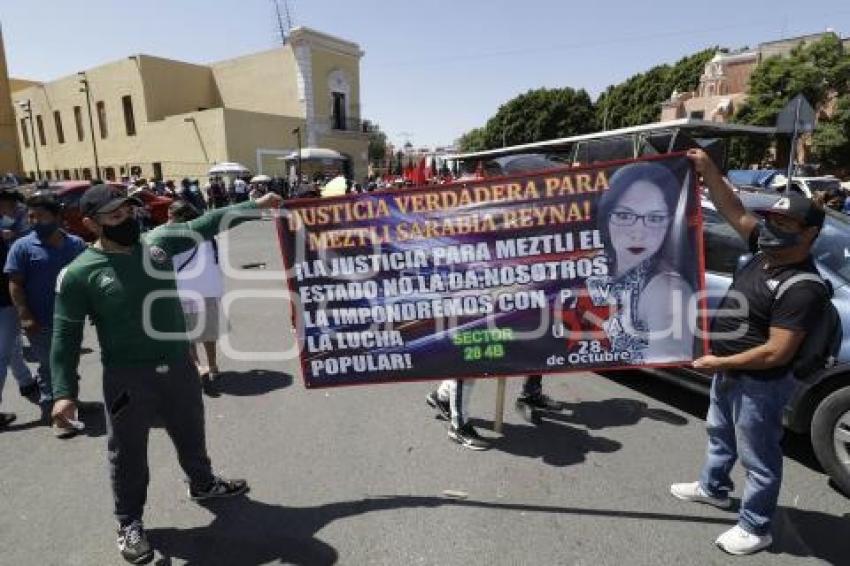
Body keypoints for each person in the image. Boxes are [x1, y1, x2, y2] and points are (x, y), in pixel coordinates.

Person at [50, 184, 282, 563]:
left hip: (178, 365)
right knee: (127, 453)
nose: (126, 221)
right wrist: (64, 392)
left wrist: (255, 205)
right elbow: (65, 335)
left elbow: (207, 222)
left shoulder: (157, 243)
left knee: (191, 428)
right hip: (127, 377)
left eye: (128, 212)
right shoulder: (78, 275)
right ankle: (129, 522)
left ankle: (203, 483)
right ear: (91, 224)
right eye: (115, 216)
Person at [670, 149, 828, 555]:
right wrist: (708, 169)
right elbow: (732, 209)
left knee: (758, 456)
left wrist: (718, 361)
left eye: (786, 222)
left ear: (808, 234)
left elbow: (776, 353)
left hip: (762, 384)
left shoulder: (803, 286)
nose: (772, 227)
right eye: (772, 219)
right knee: (719, 433)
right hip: (731, 373)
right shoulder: (765, 251)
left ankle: (757, 527)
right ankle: (714, 487)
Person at [594, 161, 695, 363]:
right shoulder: (597, 268)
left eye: (655, 218)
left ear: (670, 223)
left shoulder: (667, 290)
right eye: (624, 215)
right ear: (606, 217)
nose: (638, 232)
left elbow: (668, 361)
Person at [4, 193, 86, 432]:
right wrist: (25, 315)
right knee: (50, 366)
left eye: (41, 216)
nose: (34, 221)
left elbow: (85, 280)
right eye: (31, 216)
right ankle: (53, 410)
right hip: (40, 320)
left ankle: (71, 401)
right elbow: (15, 283)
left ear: (57, 217)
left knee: (68, 363)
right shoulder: (21, 247)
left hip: (71, 318)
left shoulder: (76, 244)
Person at [168, 201, 225, 394]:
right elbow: (216, 262)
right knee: (209, 333)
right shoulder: (207, 234)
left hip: (184, 291)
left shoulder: (172, 236)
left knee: (188, 335)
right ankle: (213, 366)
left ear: (180, 217)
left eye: (171, 216)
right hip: (207, 289)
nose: (168, 220)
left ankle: (198, 367)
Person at [0, 190, 38, 428]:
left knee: (12, 343)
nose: (12, 211)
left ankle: (25, 381)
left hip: (5, 300)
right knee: (2, 353)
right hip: (3, 300)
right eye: (8, 206)